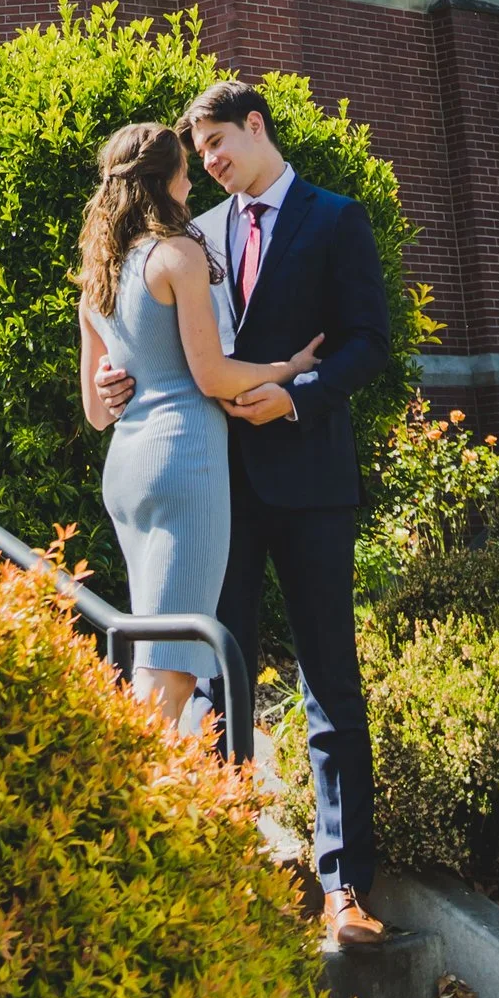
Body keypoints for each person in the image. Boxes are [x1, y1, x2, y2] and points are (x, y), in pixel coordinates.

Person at [96, 77, 391, 948]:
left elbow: (370, 341)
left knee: (330, 680)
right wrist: (118, 379)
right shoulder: (195, 236)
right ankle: (226, 867)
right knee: (219, 680)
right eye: (200, 153)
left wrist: (300, 397)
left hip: (309, 482)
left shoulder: (337, 218)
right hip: (213, 484)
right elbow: (165, 349)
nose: (211, 163)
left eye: (219, 143)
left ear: (255, 128)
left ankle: (345, 890)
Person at [75, 118, 324, 740]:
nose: (197, 172)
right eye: (188, 163)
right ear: (169, 180)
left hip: (128, 467)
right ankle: (132, 812)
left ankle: (131, 799)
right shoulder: (178, 254)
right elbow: (211, 376)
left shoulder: (99, 274)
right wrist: (287, 368)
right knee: (175, 664)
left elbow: (96, 412)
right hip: (184, 460)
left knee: (151, 649)